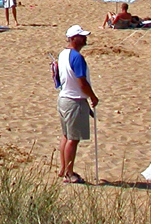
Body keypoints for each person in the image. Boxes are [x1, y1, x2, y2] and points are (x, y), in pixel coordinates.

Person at [58, 25, 98, 184]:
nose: (84, 38)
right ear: (74, 38)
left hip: (64, 98)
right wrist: (93, 97)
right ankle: (69, 173)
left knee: (66, 136)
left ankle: (64, 169)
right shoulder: (76, 57)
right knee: (73, 139)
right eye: (81, 36)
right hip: (74, 100)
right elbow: (82, 82)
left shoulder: (63, 54)